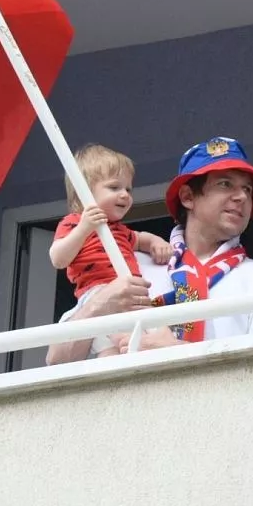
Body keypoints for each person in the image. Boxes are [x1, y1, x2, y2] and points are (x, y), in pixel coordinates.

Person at [45, 137, 253, 365]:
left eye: (247, 189)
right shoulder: (128, 264)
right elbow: (57, 360)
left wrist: (176, 351)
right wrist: (99, 304)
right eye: (225, 184)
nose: (241, 196)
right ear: (187, 197)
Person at [48, 144, 171, 357]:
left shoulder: (120, 230)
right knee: (123, 343)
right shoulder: (74, 223)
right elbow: (58, 258)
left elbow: (140, 238)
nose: (124, 195)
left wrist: (156, 242)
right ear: (84, 191)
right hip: (98, 292)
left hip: (130, 292)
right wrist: (84, 228)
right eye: (114, 188)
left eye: (128, 189)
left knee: (124, 346)